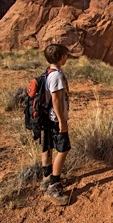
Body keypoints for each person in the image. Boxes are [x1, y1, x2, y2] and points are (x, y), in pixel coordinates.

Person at [40, 43, 72, 206]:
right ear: (62, 57)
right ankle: (53, 185)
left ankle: (46, 177)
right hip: (55, 118)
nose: (67, 57)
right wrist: (61, 121)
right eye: (66, 55)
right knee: (63, 149)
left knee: (48, 146)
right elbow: (56, 100)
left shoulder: (48, 72)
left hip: (47, 117)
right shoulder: (57, 76)